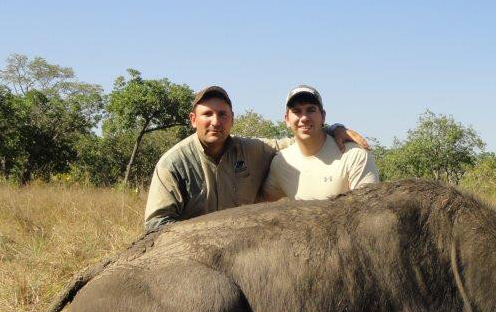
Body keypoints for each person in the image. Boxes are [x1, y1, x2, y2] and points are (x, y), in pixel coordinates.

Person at [144, 85, 367, 231]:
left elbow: (299, 141)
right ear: (193, 119)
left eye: (222, 114)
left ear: (232, 118)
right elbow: (156, 224)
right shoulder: (173, 163)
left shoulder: (253, 150)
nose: (215, 121)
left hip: (243, 257)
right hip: (193, 258)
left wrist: (333, 129)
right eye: (207, 114)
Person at [262, 85, 379, 201]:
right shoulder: (281, 162)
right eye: (297, 111)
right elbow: (264, 203)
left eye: (311, 110)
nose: (304, 118)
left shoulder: (355, 155)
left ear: (323, 116)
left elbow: (369, 210)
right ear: (287, 119)